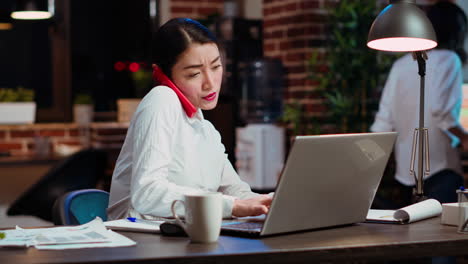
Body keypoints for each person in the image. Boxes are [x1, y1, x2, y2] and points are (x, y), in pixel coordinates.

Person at [107, 18, 272, 220]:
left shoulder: (206, 130)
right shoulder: (161, 99)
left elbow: (235, 191)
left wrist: (268, 203)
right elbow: (147, 194)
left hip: (182, 236)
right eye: (194, 74)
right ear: (165, 76)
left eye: (216, 66)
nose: (210, 83)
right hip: (139, 241)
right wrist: (232, 206)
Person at [371, 1, 468, 207]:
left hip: (406, 174)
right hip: (441, 169)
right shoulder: (449, 60)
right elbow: (443, 113)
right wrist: (465, 138)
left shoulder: (400, 65)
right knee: (442, 235)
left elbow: (383, 123)